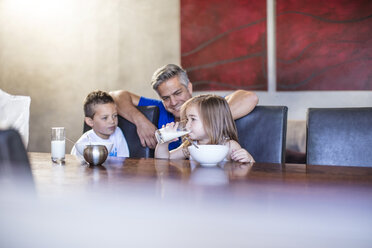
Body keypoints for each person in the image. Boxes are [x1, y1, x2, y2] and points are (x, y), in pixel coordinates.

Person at [110, 64, 258, 150]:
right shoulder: (159, 107)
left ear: (190, 87)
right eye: (166, 98)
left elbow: (249, 97)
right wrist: (140, 121)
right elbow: (115, 96)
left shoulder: (206, 105)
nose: (173, 102)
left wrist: (207, 119)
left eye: (177, 93)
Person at [155, 94, 255, 163]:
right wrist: (163, 143)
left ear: (212, 121)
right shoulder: (191, 146)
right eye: (187, 119)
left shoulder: (229, 146)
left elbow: (250, 170)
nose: (187, 125)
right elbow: (164, 160)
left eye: (193, 119)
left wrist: (249, 159)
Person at [71, 90, 129, 159]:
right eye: (105, 118)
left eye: (115, 116)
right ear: (90, 121)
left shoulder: (118, 132)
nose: (112, 121)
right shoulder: (83, 143)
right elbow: (75, 166)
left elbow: (124, 161)